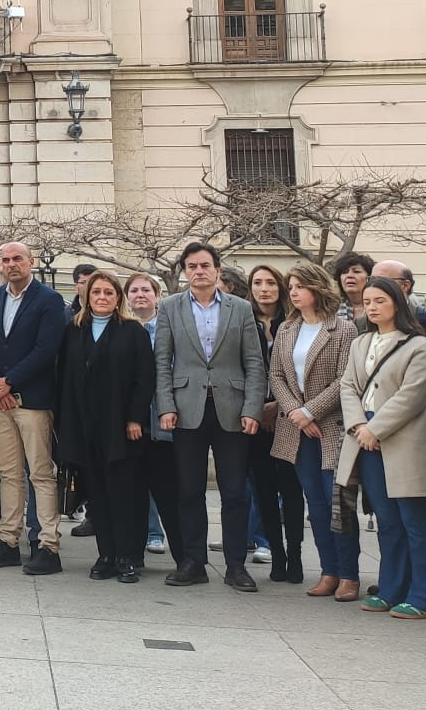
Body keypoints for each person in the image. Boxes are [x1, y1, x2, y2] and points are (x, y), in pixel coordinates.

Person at [156, 242, 265, 591]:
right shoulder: (170, 307)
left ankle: (236, 565)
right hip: (186, 408)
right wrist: (166, 406)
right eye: (192, 266)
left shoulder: (240, 308)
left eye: (205, 265)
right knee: (189, 490)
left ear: (218, 270)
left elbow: (253, 362)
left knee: (234, 491)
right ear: (185, 272)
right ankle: (193, 562)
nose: (199, 271)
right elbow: (162, 361)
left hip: (231, 408)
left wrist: (252, 408)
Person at [340, 276, 426, 619]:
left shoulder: (417, 345)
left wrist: (376, 428)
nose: (372, 308)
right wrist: (359, 425)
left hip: (406, 440)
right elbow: (347, 386)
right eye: (368, 302)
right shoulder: (361, 343)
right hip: (365, 437)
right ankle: (391, 588)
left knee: (415, 520)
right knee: (387, 520)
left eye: (379, 301)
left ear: (397, 303)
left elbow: (413, 395)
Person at [0, 242, 69, 575]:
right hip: (0, 402)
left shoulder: (49, 300)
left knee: (41, 474)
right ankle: (8, 541)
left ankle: (47, 545)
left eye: (17, 259)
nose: (11, 264)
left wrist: (9, 382)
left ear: (31, 261)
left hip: (32, 402)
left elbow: (46, 350)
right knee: (8, 473)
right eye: (5, 259)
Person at [56, 269, 154, 583]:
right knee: (96, 493)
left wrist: (135, 417)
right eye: (96, 292)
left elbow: (144, 378)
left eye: (108, 293)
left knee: (123, 493)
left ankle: (127, 557)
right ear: (87, 297)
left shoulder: (132, 331)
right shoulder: (73, 330)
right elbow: (64, 378)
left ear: (118, 298)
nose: (101, 298)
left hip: (121, 426)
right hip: (84, 425)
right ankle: (106, 554)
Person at [270, 263, 357, 600]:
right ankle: (328, 571)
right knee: (316, 505)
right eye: (290, 286)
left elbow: (344, 379)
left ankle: (349, 575)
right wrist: (295, 411)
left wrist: (310, 411)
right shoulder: (287, 329)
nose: (292, 292)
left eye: (299, 286)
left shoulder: (343, 329)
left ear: (317, 289)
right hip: (297, 431)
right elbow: (276, 374)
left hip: (329, 427)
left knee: (339, 502)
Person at [245, 263, 301, 577]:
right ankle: (276, 555)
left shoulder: (293, 322)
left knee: (291, 489)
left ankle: (294, 555)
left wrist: (277, 404)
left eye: (270, 283)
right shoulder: (243, 319)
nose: (264, 288)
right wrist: (257, 408)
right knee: (262, 488)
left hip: (290, 413)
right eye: (257, 283)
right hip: (254, 418)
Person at [129, 273, 181, 561]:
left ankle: (184, 554)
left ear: (157, 295)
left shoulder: (169, 328)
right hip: (134, 425)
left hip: (165, 423)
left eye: (146, 290)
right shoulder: (122, 329)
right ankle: (144, 542)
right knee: (136, 493)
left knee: (169, 490)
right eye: (134, 290)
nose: (140, 294)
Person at [331, 253, 375, 329]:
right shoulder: (331, 308)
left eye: (356, 271)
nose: (349, 275)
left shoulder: (378, 306)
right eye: (344, 272)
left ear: (369, 277)